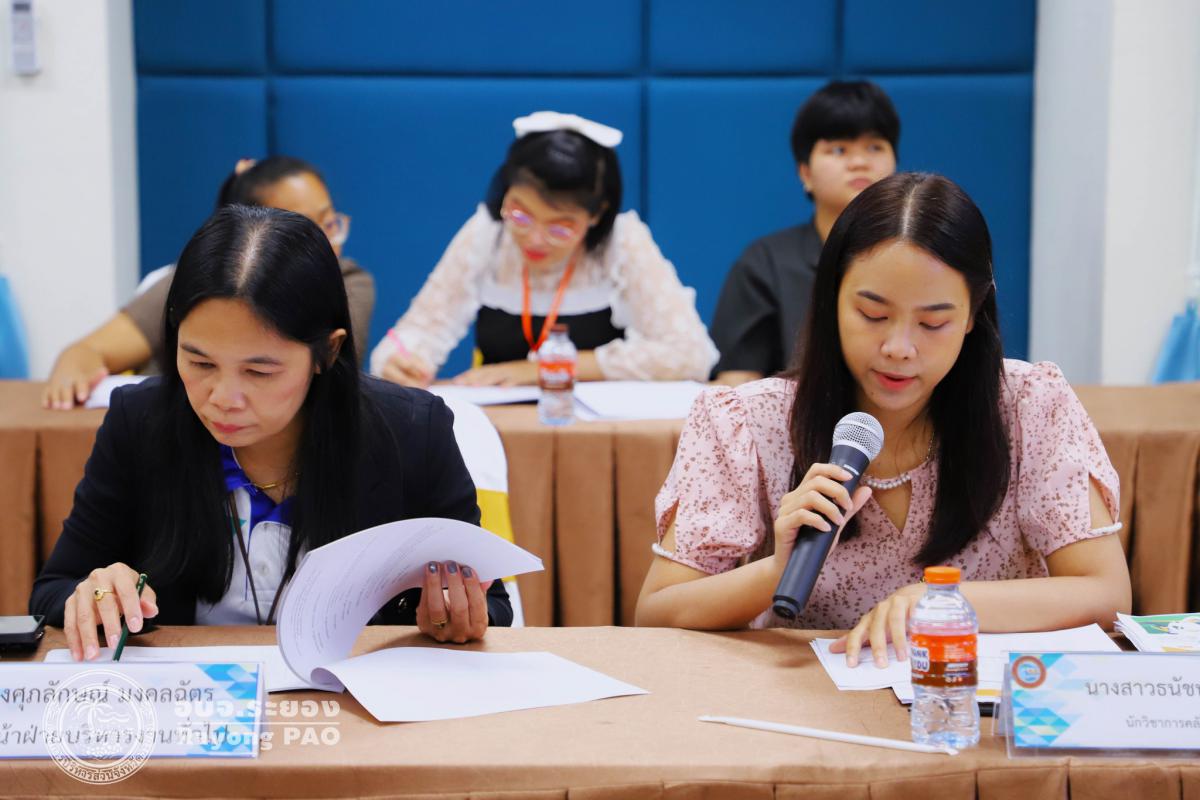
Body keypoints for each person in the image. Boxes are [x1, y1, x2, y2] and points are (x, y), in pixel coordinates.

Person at [636, 173, 1131, 668]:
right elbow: (657, 612)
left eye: (933, 323)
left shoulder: (1030, 405)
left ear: (973, 314)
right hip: (806, 703)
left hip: (968, 702)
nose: (899, 348)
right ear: (832, 299)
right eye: (873, 315)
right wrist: (776, 570)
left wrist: (941, 602)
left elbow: (1105, 592)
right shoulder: (744, 421)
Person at [30, 205, 510, 660]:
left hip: (351, 698)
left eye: (259, 372)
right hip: (193, 699)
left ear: (327, 352)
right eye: (200, 362)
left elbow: (493, 604)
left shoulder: (413, 432)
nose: (224, 397)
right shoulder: (139, 421)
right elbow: (54, 588)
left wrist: (453, 613)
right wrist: (95, 593)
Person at [371, 111, 717, 387]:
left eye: (560, 227)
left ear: (596, 215)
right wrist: (400, 361)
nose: (534, 239)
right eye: (520, 215)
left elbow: (691, 355)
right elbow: (418, 330)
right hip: (500, 428)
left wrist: (545, 369)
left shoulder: (621, 242)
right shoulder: (488, 234)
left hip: (598, 432)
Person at [42, 156, 375, 409]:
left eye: (329, 222)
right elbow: (90, 350)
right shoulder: (199, 279)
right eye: (302, 227)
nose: (327, 241)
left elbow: (331, 380)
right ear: (247, 230)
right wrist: (77, 366)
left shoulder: (348, 282)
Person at [710, 81, 899, 386]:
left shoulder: (923, 259)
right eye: (838, 149)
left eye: (875, 147)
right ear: (805, 172)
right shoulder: (764, 264)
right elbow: (737, 383)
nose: (860, 162)